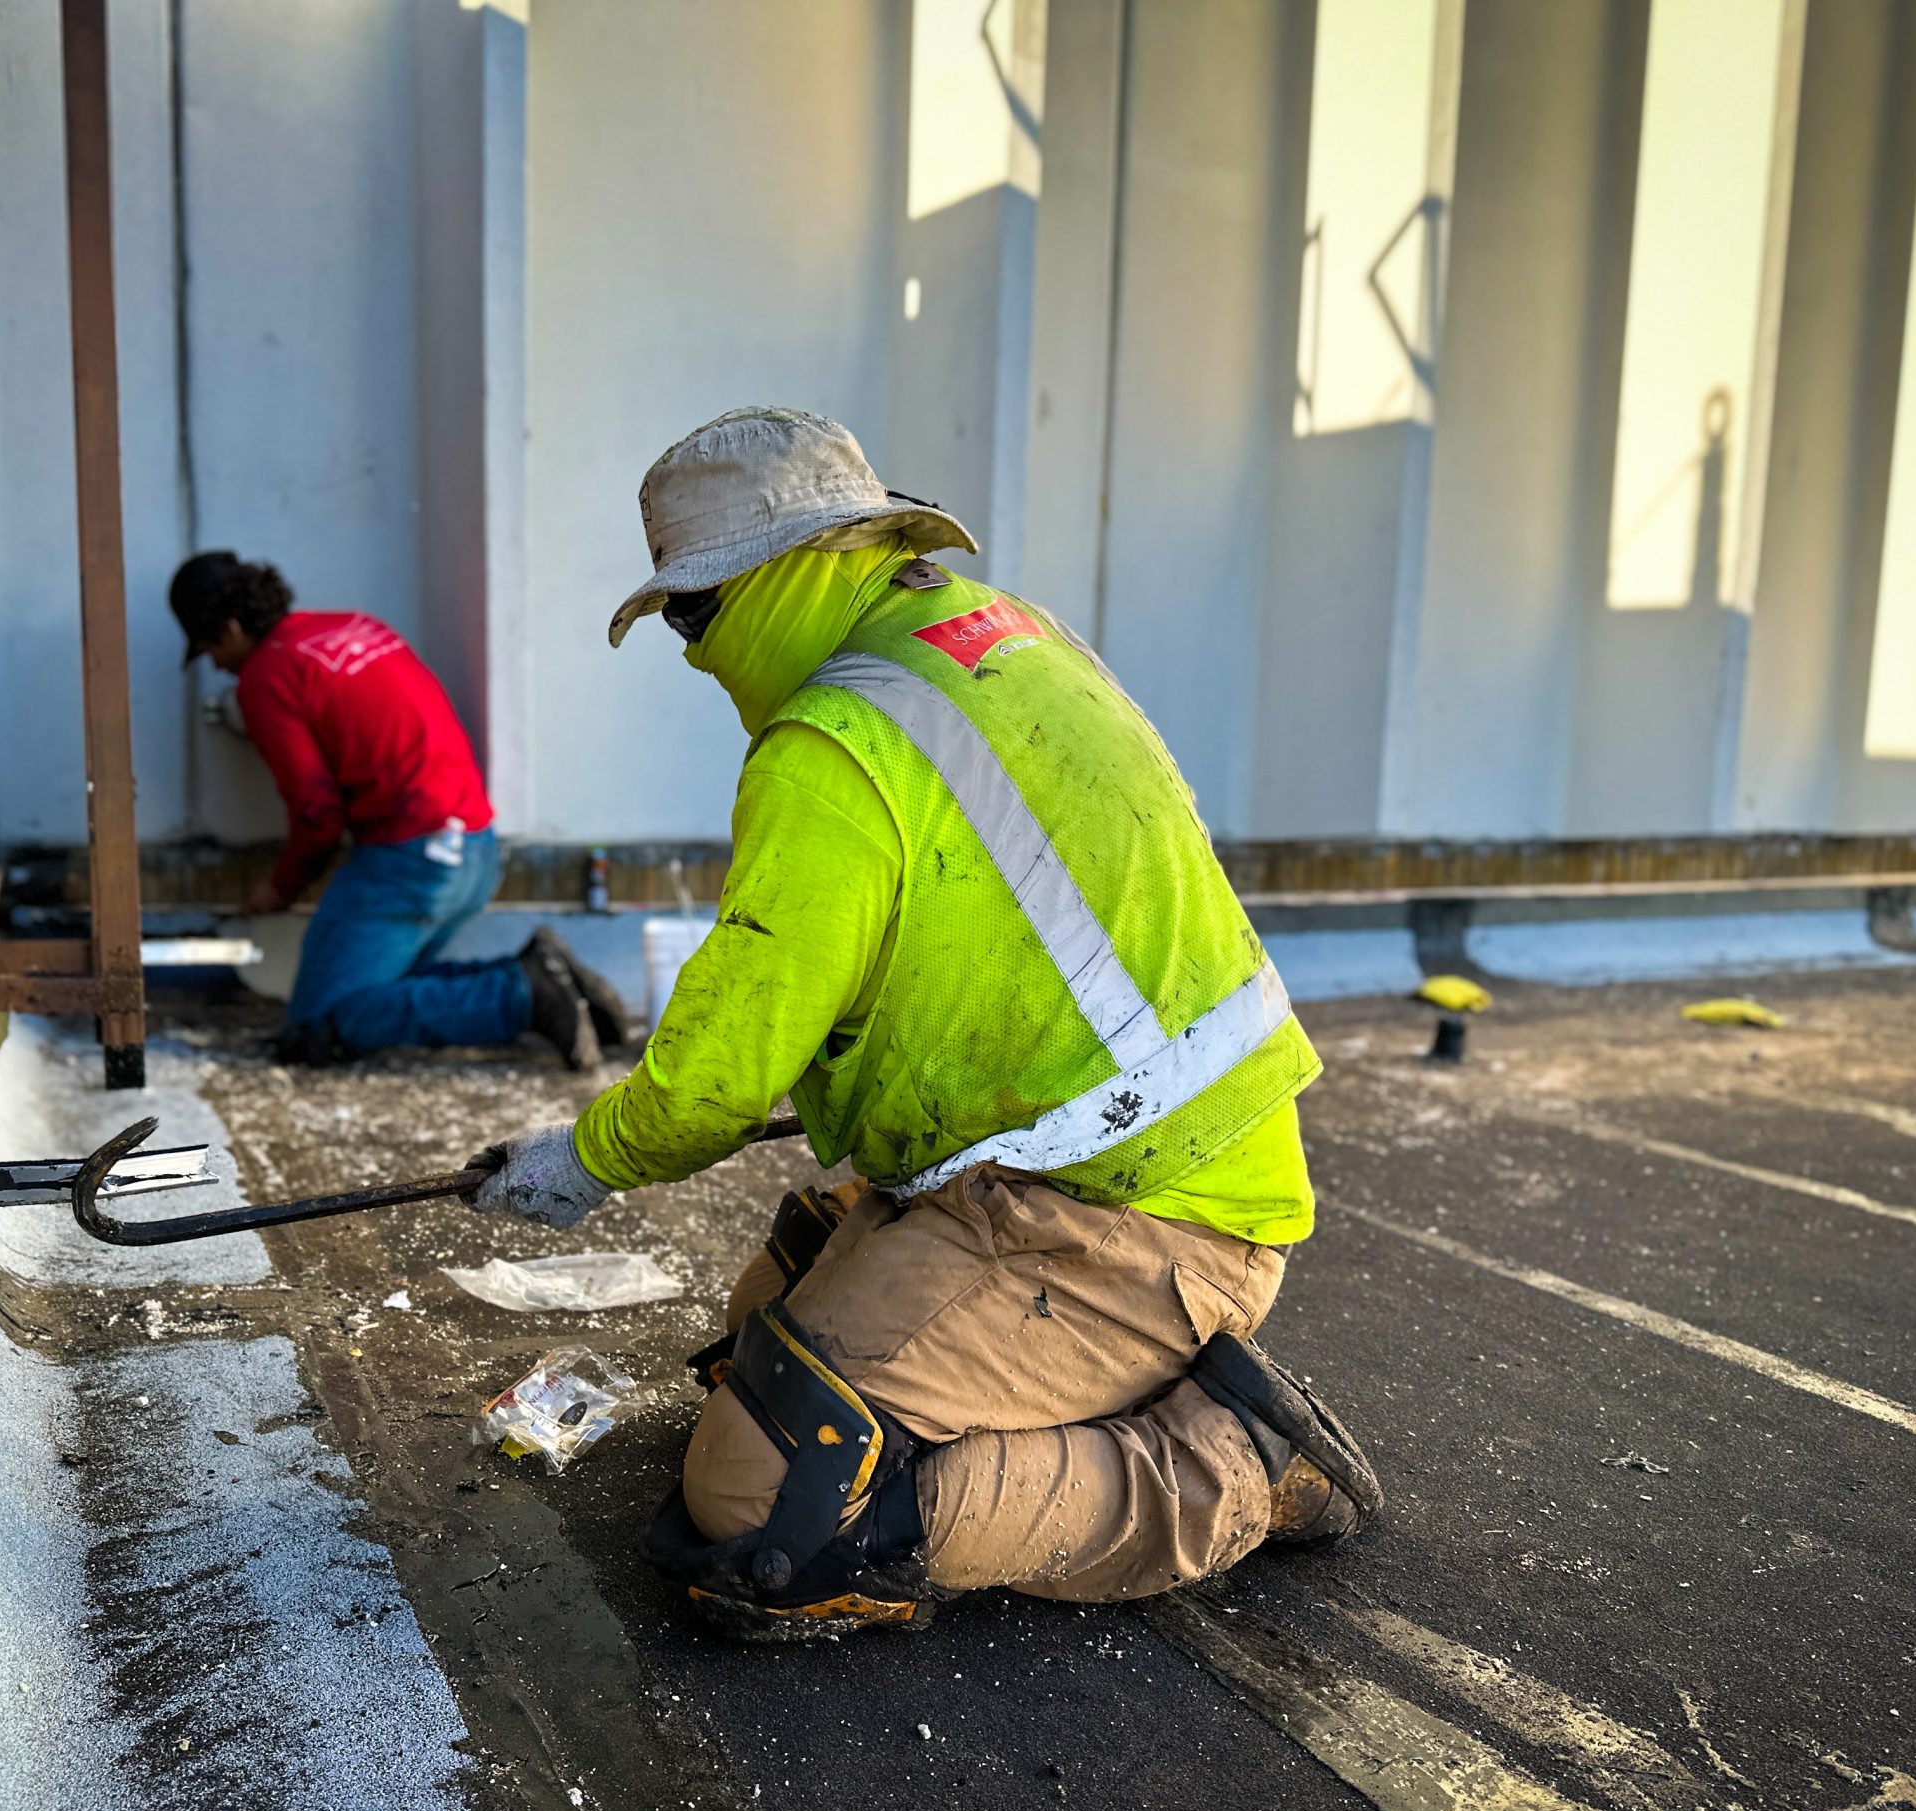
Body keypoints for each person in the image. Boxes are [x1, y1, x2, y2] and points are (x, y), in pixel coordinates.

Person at [464, 409, 1381, 1642]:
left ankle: (1229, 1471)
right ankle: (1121, 1391)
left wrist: (582, 1160)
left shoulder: (832, 746)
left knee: (759, 1505)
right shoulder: (1008, 643)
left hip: (1124, 1216)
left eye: (692, 616)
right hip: (1117, 1162)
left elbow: (709, 1087)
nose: (692, 655)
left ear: (767, 579)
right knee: (762, 1322)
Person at [169, 551, 627, 1070]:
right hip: (475, 851)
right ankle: (543, 975)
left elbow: (317, 816)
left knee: (315, 1030)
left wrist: (279, 889)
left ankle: (520, 994)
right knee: (381, 992)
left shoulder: (266, 676)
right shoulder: (356, 626)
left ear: (230, 626)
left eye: (210, 648)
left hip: (412, 862)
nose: (217, 665)